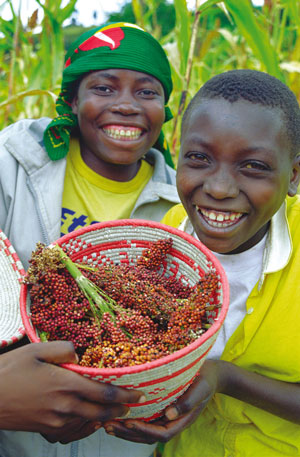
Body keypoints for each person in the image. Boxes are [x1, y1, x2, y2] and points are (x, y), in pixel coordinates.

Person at [0, 22, 180, 457]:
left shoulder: (184, 205)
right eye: (103, 88)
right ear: (73, 100)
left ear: (164, 110)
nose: (126, 106)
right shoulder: (12, 164)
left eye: (146, 92)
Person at [101, 69, 300, 457]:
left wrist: (225, 378)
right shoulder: (173, 232)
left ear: (293, 175)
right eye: (199, 158)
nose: (219, 188)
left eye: (253, 166)